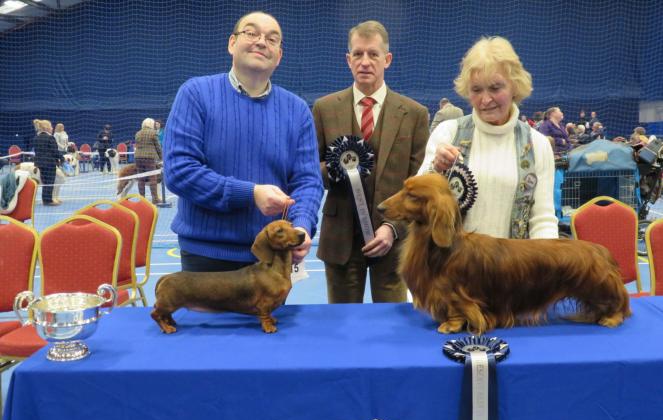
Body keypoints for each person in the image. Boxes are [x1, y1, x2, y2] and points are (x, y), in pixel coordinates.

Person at [163, 11, 323, 272]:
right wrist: (250, 194)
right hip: (205, 258)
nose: (262, 42)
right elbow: (179, 172)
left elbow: (308, 182)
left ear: (279, 56)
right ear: (231, 43)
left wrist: (301, 225)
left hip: (273, 260)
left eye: (272, 39)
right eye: (251, 33)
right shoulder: (195, 94)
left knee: (269, 317)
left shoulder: (298, 110)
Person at [312, 20, 429, 303]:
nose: (365, 62)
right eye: (358, 54)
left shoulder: (414, 114)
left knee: (392, 329)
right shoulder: (324, 108)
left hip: (394, 242)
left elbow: (419, 186)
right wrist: (338, 168)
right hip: (340, 241)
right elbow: (310, 173)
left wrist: (392, 228)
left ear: (387, 59)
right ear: (348, 59)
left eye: (373, 54)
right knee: (341, 329)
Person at [420, 36, 558, 240]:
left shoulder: (538, 144)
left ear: (514, 86)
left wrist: (547, 266)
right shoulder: (448, 133)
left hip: (514, 270)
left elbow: (543, 219)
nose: (485, 100)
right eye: (476, 89)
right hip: (453, 269)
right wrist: (435, 169)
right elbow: (417, 202)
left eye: (495, 88)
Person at [32, 119, 62, 206]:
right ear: (47, 128)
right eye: (51, 126)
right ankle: (48, 200)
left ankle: (45, 199)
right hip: (49, 163)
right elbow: (54, 151)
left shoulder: (36, 138)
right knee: (50, 182)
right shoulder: (50, 138)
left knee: (45, 182)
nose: (52, 128)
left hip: (39, 163)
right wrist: (61, 158)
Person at [134, 117, 162, 204]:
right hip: (150, 158)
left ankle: (142, 200)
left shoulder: (137, 133)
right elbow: (158, 147)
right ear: (151, 124)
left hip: (138, 158)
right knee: (153, 178)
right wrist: (161, 158)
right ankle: (155, 199)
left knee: (141, 179)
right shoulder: (153, 133)